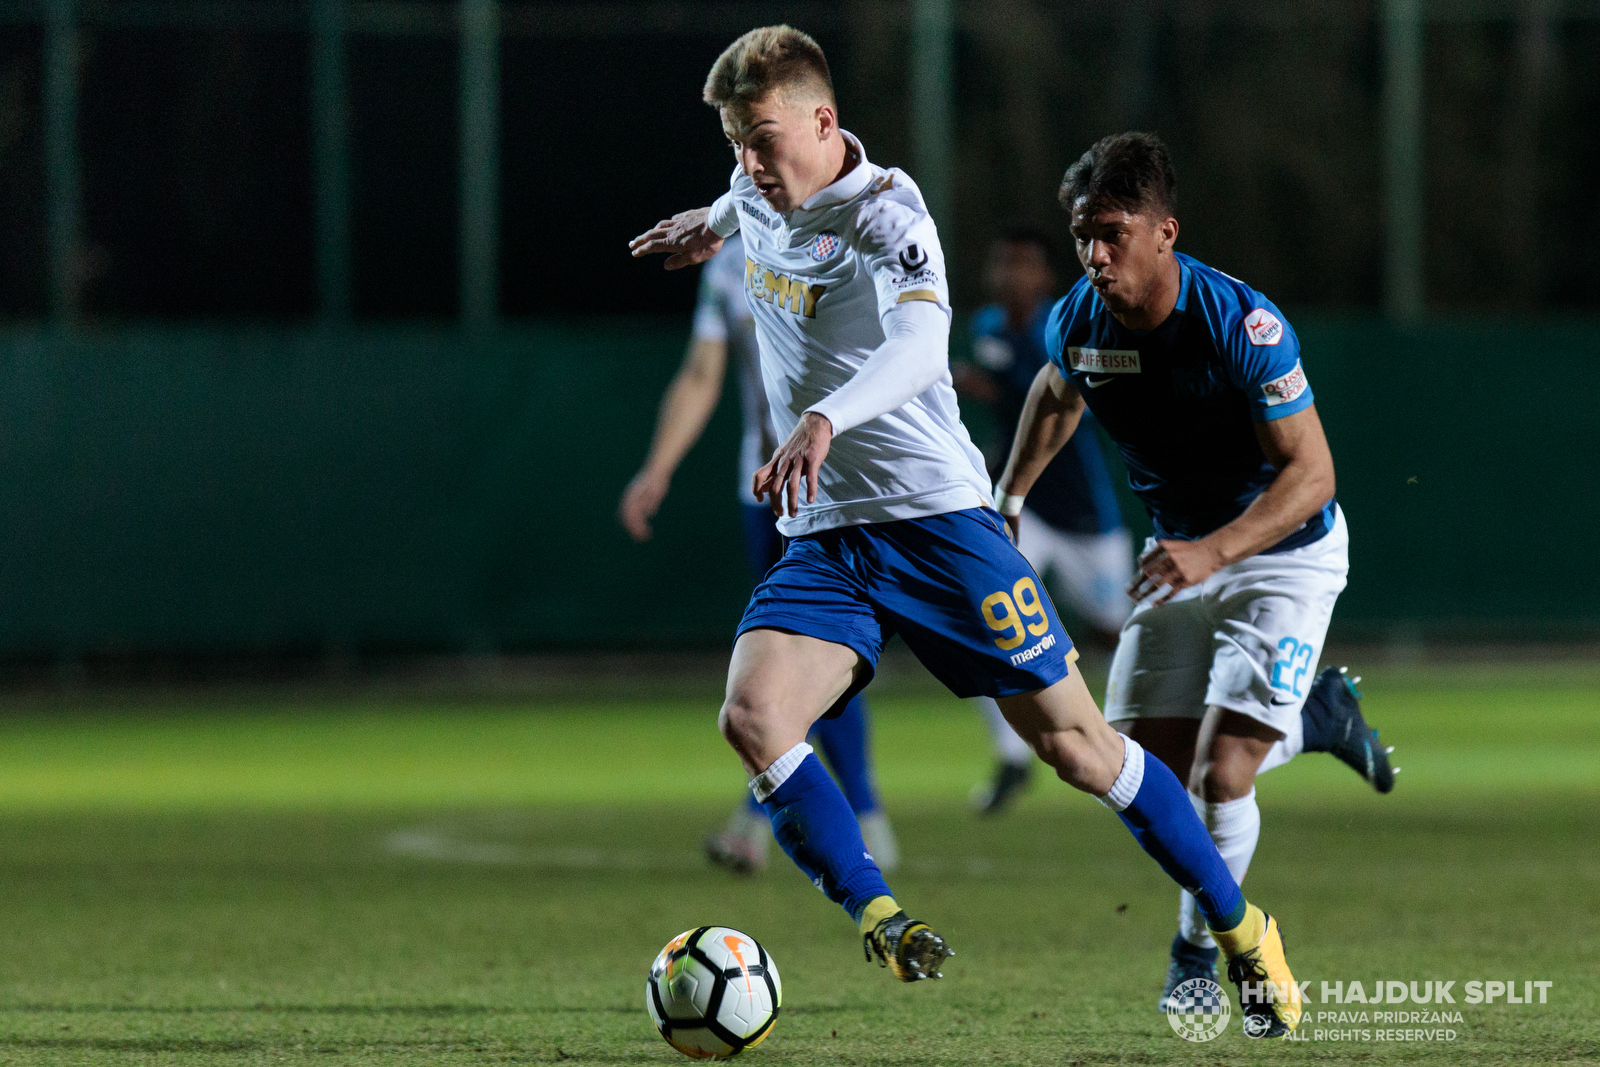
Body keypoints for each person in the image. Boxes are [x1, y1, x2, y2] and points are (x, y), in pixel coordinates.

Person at [630, 27, 1303, 1036]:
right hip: (830, 537)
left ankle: (1241, 925)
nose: (749, 164)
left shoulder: (888, 213)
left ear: (826, 122)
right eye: (733, 143)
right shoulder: (758, 193)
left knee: (1082, 751)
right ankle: (881, 914)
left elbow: (914, 343)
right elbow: (751, 203)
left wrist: (823, 418)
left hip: (940, 522)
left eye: (762, 140)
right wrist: (711, 218)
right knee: (755, 715)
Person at [995, 131, 1394, 1018]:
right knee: (1133, 776)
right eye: (1082, 235)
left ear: (1165, 231)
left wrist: (1215, 551)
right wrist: (1010, 491)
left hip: (1281, 554)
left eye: (1113, 232)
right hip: (1178, 557)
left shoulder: (1241, 323)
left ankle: (1194, 949)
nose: (1095, 255)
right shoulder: (1078, 318)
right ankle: (1317, 719)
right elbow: (1059, 393)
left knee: (1224, 773)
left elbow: (1314, 474)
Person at [618, 232, 898, 875]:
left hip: (850, 486)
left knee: (816, 652)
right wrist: (657, 469)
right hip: (768, 489)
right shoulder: (725, 261)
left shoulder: (849, 233)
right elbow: (701, 372)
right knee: (792, 651)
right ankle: (847, 817)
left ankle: (805, 815)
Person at [956, 225, 1134, 815]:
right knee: (984, 621)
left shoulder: (1063, 322)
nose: (1009, 276)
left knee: (1122, 633)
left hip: (1085, 514)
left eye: (1022, 265)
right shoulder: (986, 327)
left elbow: (1033, 388)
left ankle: (1130, 741)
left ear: (1044, 275)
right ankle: (1012, 756)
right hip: (1021, 509)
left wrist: (977, 384)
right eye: (1001, 264)